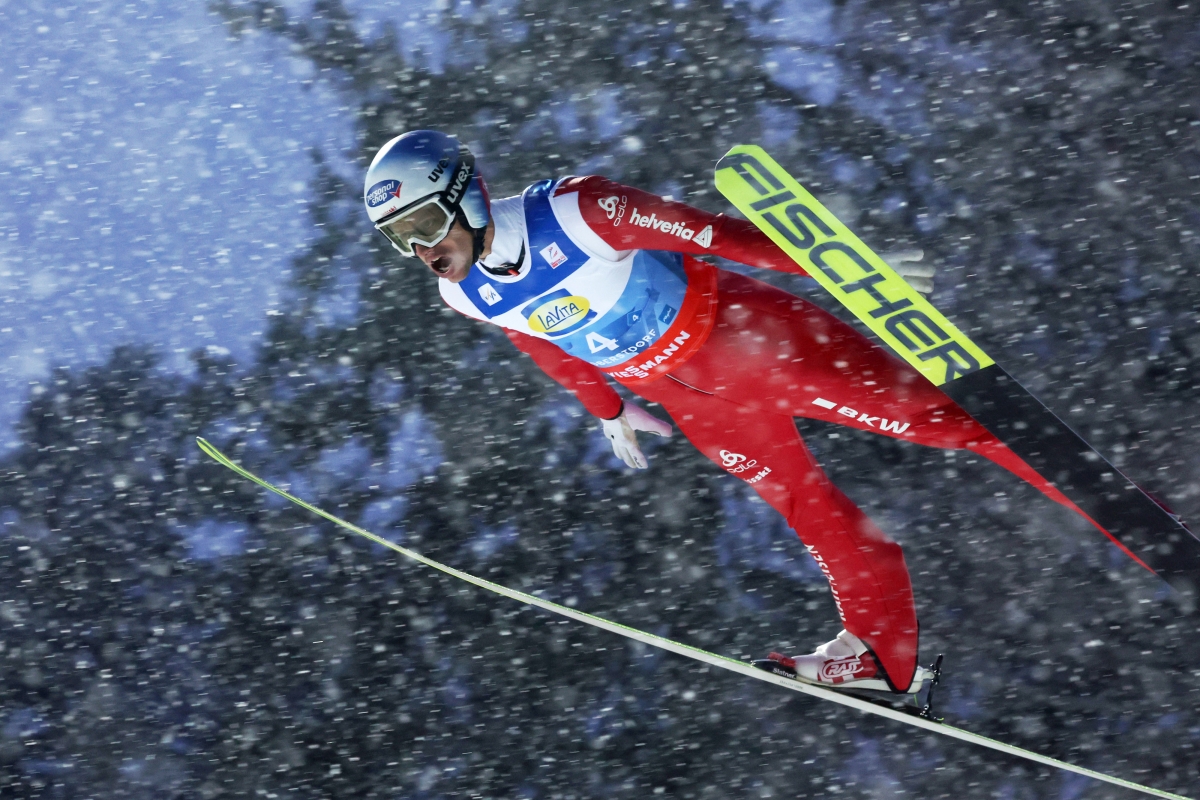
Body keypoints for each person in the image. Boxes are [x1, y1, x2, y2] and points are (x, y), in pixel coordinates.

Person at [362, 130, 1099, 696]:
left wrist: (839, 265)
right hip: (690, 404)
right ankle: (881, 658)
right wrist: (607, 407)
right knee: (811, 511)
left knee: (940, 422)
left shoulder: (578, 211)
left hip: (747, 340)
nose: (423, 248)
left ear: (467, 193)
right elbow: (542, 342)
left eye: (426, 222)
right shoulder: (462, 294)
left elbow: (717, 234)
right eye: (401, 239)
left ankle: (1078, 480)